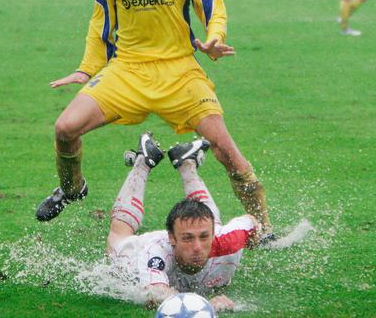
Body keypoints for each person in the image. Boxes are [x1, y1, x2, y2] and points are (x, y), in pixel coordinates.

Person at [35, 0, 273, 239]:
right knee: (64, 129)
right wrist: (87, 68)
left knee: (227, 151)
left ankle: (265, 227)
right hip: (127, 72)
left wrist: (214, 39)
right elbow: (101, 20)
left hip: (179, 72)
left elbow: (213, 7)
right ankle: (72, 189)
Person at [107, 133, 261, 312]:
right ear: (172, 238)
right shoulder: (155, 253)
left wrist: (256, 237)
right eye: (188, 238)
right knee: (118, 238)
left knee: (206, 220)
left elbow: (251, 222)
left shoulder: (229, 239)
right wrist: (205, 306)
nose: (197, 247)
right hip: (136, 253)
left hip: (209, 231)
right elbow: (156, 295)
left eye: (204, 237)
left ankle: (187, 163)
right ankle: (143, 162)